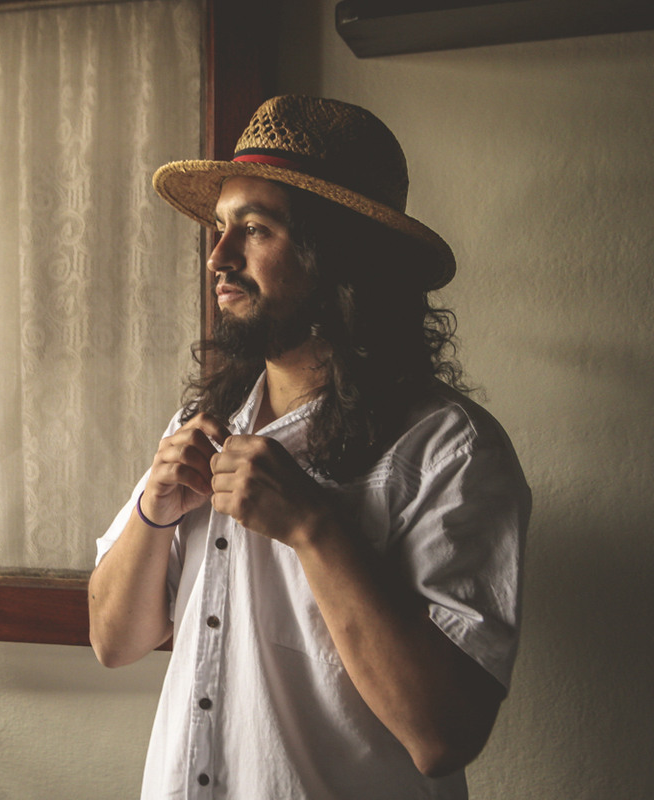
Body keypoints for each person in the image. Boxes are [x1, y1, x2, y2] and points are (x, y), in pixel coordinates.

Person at [88, 95, 530, 800]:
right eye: (220, 227)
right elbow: (114, 641)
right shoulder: (202, 421)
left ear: (340, 257)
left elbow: (443, 735)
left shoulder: (451, 449)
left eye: (254, 229)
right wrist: (154, 507)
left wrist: (313, 528)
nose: (218, 257)